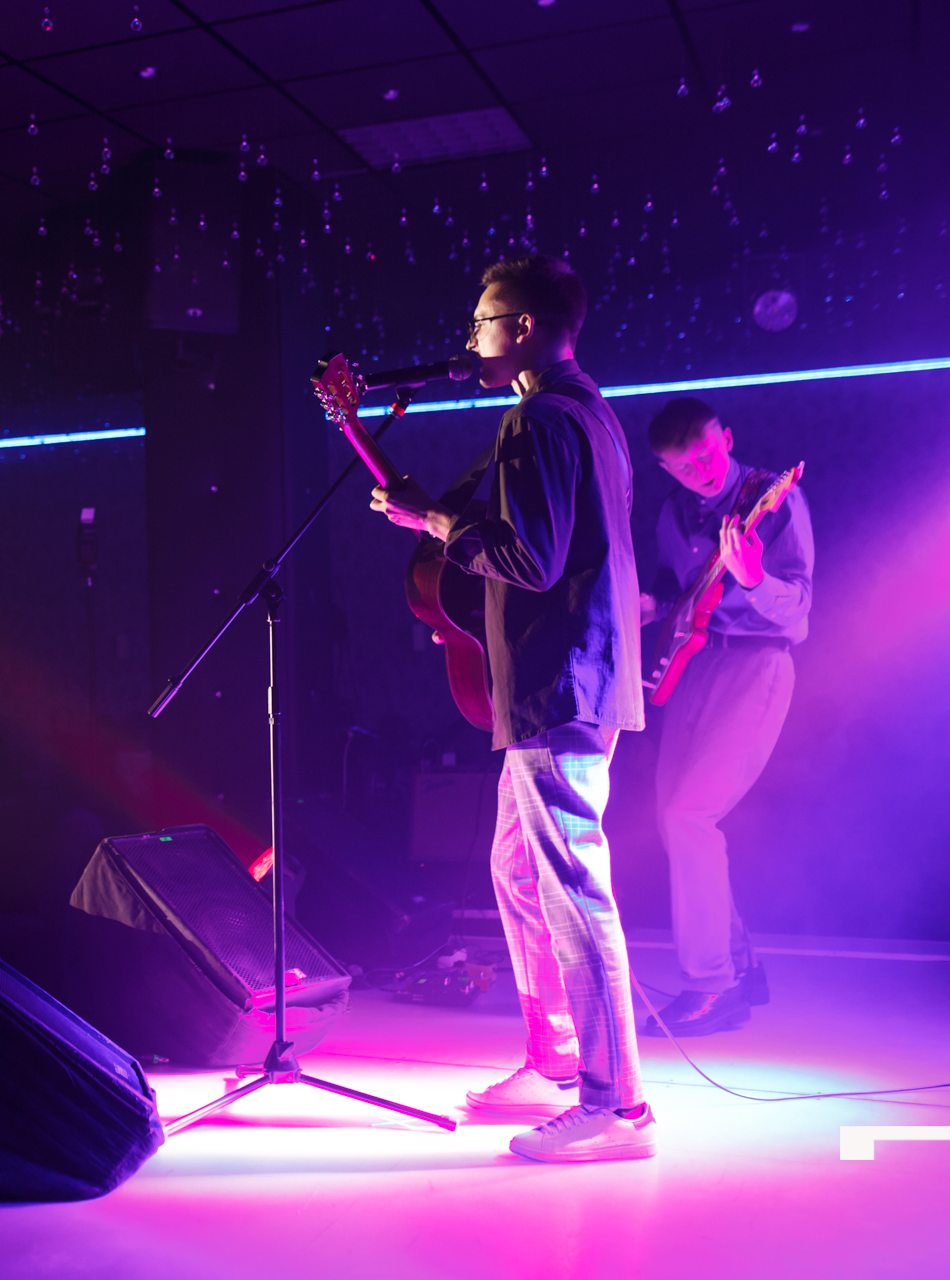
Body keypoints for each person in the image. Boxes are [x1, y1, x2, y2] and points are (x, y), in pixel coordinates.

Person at [368, 255, 651, 1162]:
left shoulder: (538, 418)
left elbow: (529, 558)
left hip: (557, 680)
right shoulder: (588, 412)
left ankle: (618, 1108)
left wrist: (434, 522)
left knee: (570, 883)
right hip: (579, 674)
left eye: (482, 321)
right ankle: (556, 1058)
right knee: (519, 870)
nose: (472, 339)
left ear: (523, 327)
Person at [638, 397, 814, 1035]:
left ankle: (712, 987)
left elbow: (798, 606)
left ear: (727, 439)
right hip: (694, 665)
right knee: (672, 821)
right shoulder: (673, 512)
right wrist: (650, 605)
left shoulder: (774, 499)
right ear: (666, 470)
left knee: (689, 816)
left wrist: (756, 578)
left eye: (707, 455)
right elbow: (677, 586)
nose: (702, 472)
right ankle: (741, 967)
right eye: (684, 466)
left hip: (757, 663)